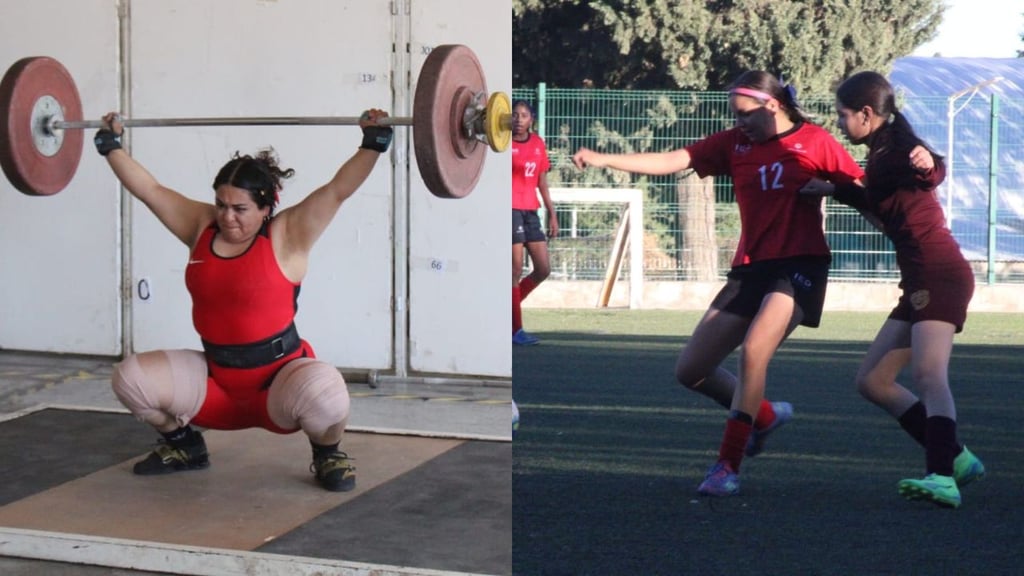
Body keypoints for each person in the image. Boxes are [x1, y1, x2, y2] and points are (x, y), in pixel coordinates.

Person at [572, 71, 865, 497]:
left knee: (754, 351)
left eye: (745, 114)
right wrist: (604, 158)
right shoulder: (734, 144)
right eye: (735, 115)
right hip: (752, 267)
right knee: (691, 370)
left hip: (800, 265)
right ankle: (763, 417)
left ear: (772, 105)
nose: (739, 122)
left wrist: (864, 196)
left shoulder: (816, 140)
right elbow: (675, 159)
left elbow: (862, 187)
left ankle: (727, 466)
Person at [95, 108, 393, 492]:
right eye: (221, 204)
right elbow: (150, 190)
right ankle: (185, 447)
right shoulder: (201, 226)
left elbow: (338, 190)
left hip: (278, 384)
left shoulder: (288, 235)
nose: (227, 218)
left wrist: (373, 142)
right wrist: (110, 146)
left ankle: (327, 453)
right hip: (216, 383)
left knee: (327, 393)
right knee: (130, 379)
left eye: (240, 209)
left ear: (266, 207)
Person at [800, 71, 985, 508]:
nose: (840, 124)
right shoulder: (881, 151)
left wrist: (930, 166)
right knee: (873, 380)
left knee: (928, 375)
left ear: (867, 114)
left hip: (937, 272)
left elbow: (929, 170)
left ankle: (940, 476)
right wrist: (831, 189)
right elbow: (877, 197)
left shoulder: (898, 149)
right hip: (920, 277)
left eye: (843, 116)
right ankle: (956, 459)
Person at [512, 100, 558, 346]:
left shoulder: (538, 144)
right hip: (510, 209)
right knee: (514, 270)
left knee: (543, 269)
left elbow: (541, 182)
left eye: (524, 115)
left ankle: (508, 308)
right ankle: (515, 329)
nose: (518, 119)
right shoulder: (502, 143)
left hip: (531, 210)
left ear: (532, 119)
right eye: (515, 115)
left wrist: (552, 212)